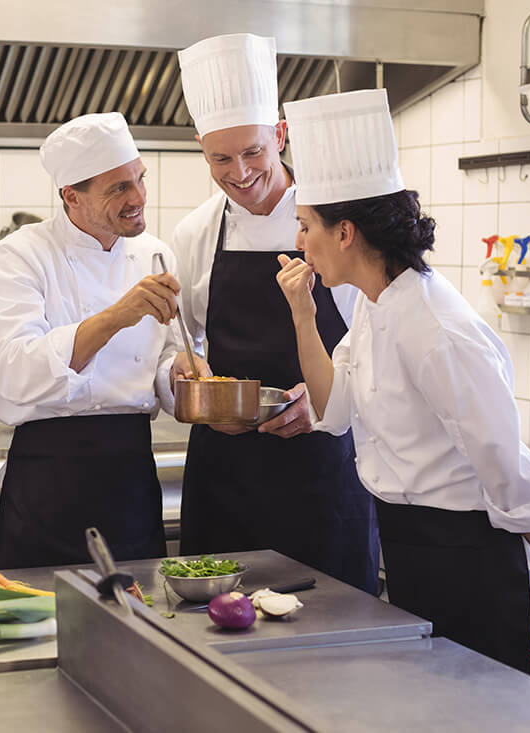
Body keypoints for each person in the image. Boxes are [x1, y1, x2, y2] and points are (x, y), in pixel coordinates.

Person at [277, 87, 530, 673]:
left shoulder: (436, 324)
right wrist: (303, 317)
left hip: (469, 557)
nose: (298, 241)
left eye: (306, 225)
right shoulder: (374, 304)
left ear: (344, 233)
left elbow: (496, 450)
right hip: (411, 544)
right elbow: (333, 411)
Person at [172, 33, 378, 593]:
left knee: (328, 651)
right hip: (225, 475)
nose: (239, 172)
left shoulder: (336, 224)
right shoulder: (195, 233)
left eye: (253, 152)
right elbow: (181, 343)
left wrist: (326, 400)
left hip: (323, 473)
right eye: (220, 157)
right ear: (201, 148)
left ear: (280, 136)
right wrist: (194, 389)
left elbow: (379, 343)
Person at [0, 112, 191, 569]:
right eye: (118, 188)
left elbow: (165, 351)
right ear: (70, 196)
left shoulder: (155, 253)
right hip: (47, 479)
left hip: (131, 476)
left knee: (139, 623)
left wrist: (176, 372)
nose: (138, 198)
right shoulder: (21, 255)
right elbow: (16, 372)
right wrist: (117, 315)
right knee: (36, 628)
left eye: (139, 179)